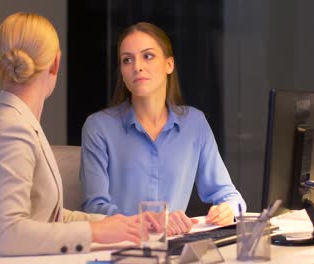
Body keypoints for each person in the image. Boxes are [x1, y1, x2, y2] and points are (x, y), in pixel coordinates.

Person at [0, 12, 141, 256]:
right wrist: (94, 233)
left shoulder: (12, 121)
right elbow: (9, 233)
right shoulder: (12, 129)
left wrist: (116, 225)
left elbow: (45, 216)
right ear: (56, 62)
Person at [80, 22, 246, 235]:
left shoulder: (195, 123)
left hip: (172, 248)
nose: (137, 66)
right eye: (127, 59)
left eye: (147, 56)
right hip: (119, 248)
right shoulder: (98, 127)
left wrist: (227, 210)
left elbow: (230, 196)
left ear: (169, 64)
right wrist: (150, 222)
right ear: (122, 72)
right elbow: (95, 209)